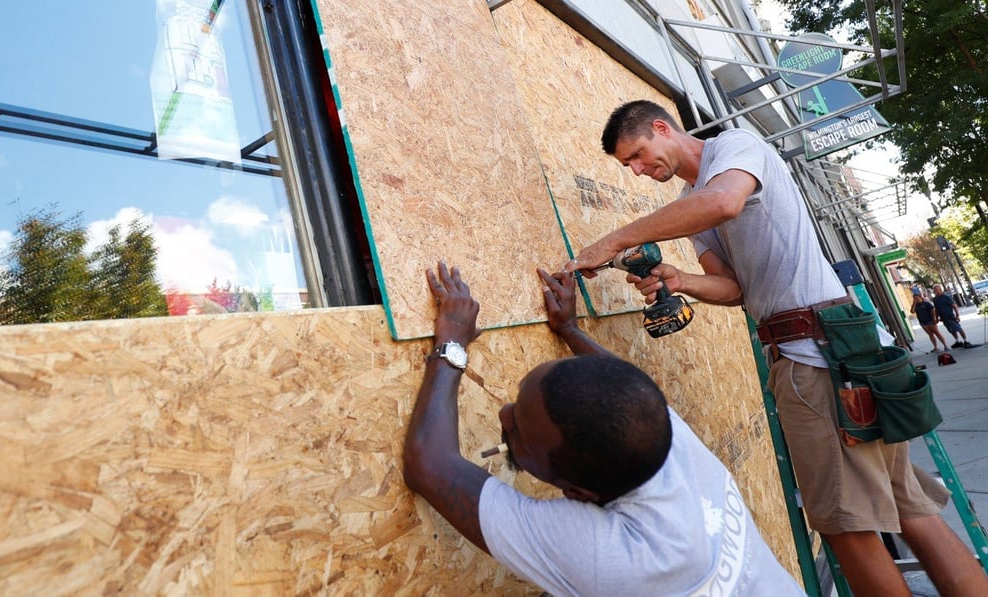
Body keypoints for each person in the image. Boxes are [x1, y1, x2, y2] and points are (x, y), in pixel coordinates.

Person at [564, 100, 988, 596]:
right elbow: (736, 289)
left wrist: (611, 241)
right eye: (626, 167)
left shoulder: (736, 147)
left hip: (815, 356)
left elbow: (723, 201)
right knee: (908, 506)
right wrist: (681, 279)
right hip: (828, 348)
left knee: (843, 527)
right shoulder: (692, 201)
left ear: (663, 128)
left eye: (636, 154)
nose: (637, 170)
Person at [403, 261, 806, 596]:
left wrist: (451, 342)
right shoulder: (663, 437)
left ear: (576, 494)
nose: (504, 413)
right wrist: (571, 330)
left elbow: (429, 465)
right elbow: (622, 384)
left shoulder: (614, 557)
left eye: (519, 433)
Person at [932, 284, 973, 348]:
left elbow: (954, 306)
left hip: (950, 316)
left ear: (940, 289)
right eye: (934, 290)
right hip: (943, 318)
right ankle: (957, 341)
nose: (935, 291)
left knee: (958, 328)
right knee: (951, 330)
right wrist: (936, 318)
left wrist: (957, 315)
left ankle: (966, 341)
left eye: (936, 290)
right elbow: (936, 309)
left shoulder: (946, 297)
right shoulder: (935, 299)